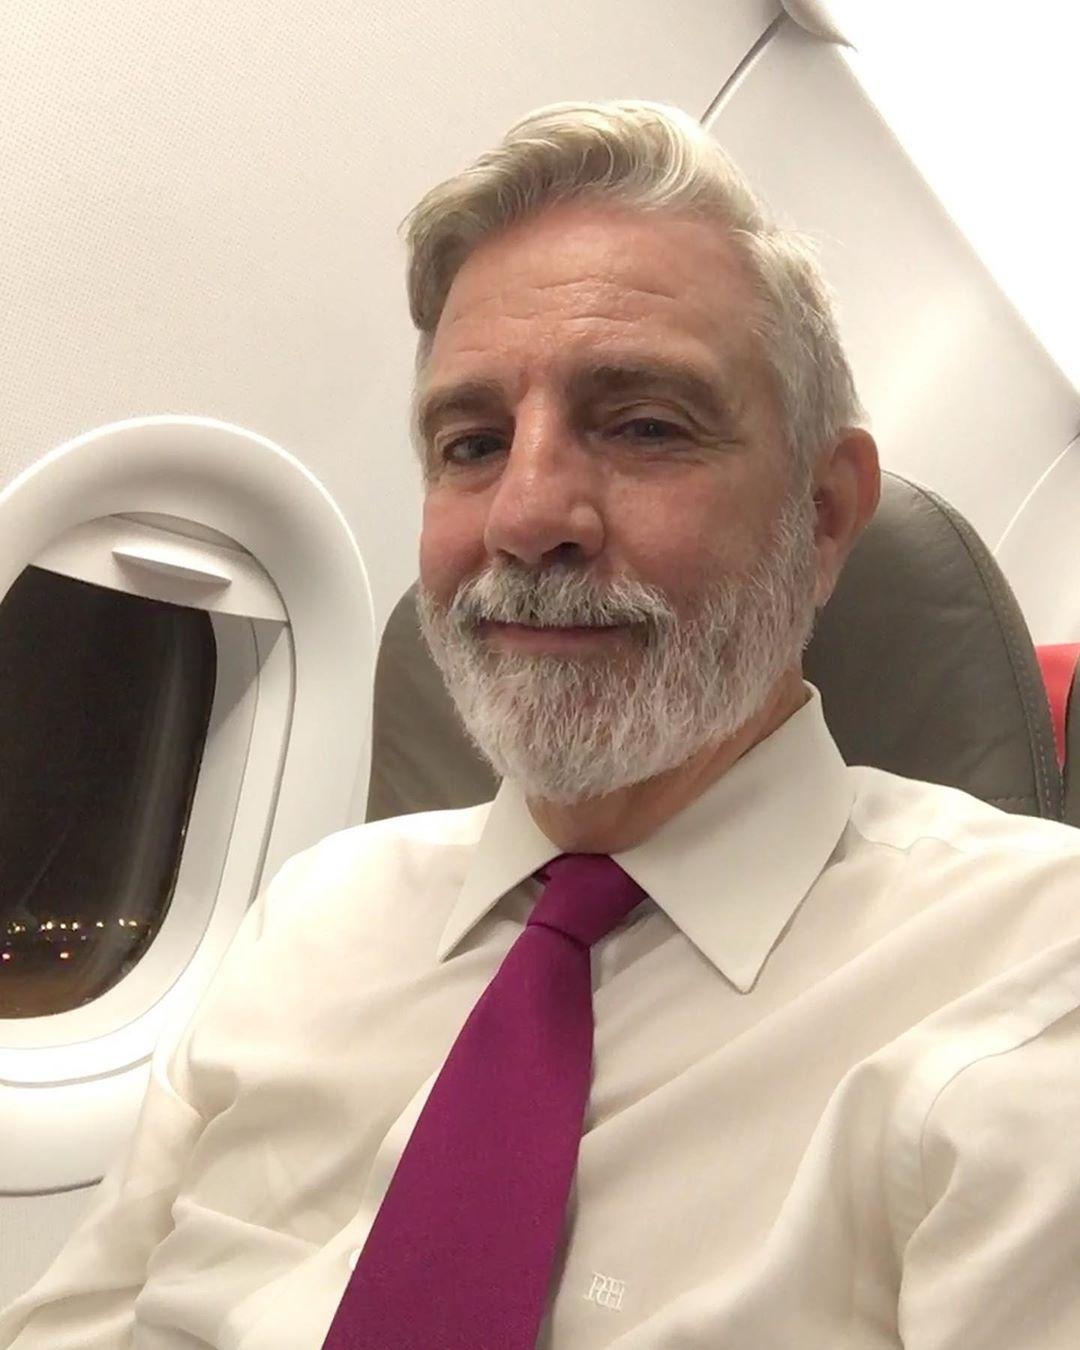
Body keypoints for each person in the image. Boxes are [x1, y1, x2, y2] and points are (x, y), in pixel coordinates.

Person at [3, 99, 1080, 1350]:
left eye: (643, 427)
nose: (525, 518)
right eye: (471, 443)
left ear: (825, 512)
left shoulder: (1032, 972)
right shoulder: (318, 908)